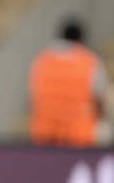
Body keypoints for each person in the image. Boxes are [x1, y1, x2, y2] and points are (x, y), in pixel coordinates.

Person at [28, 18, 106, 147]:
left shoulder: (42, 60)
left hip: (45, 134)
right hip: (78, 136)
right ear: (81, 39)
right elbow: (99, 98)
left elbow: (34, 95)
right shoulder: (90, 62)